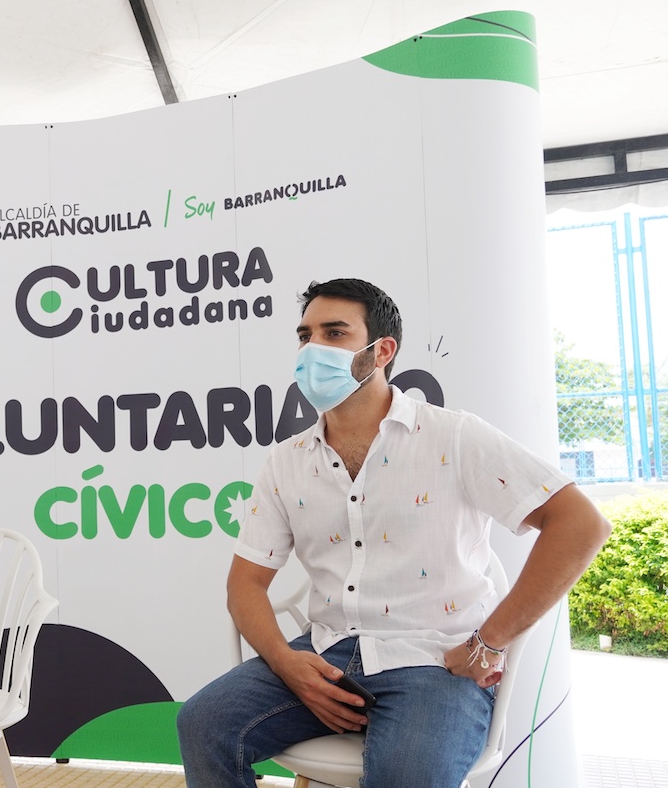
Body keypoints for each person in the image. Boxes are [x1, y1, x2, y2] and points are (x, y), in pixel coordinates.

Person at [177, 278, 612, 787]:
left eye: (334, 332)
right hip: (328, 653)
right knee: (203, 725)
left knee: (404, 776)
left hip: (436, 661)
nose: (313, 348)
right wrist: (288, 662)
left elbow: (581, 524)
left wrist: (489, 642)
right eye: (304, 335)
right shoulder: (286, 461)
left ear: (381, 350)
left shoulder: (454, 436)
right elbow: (244, 584)